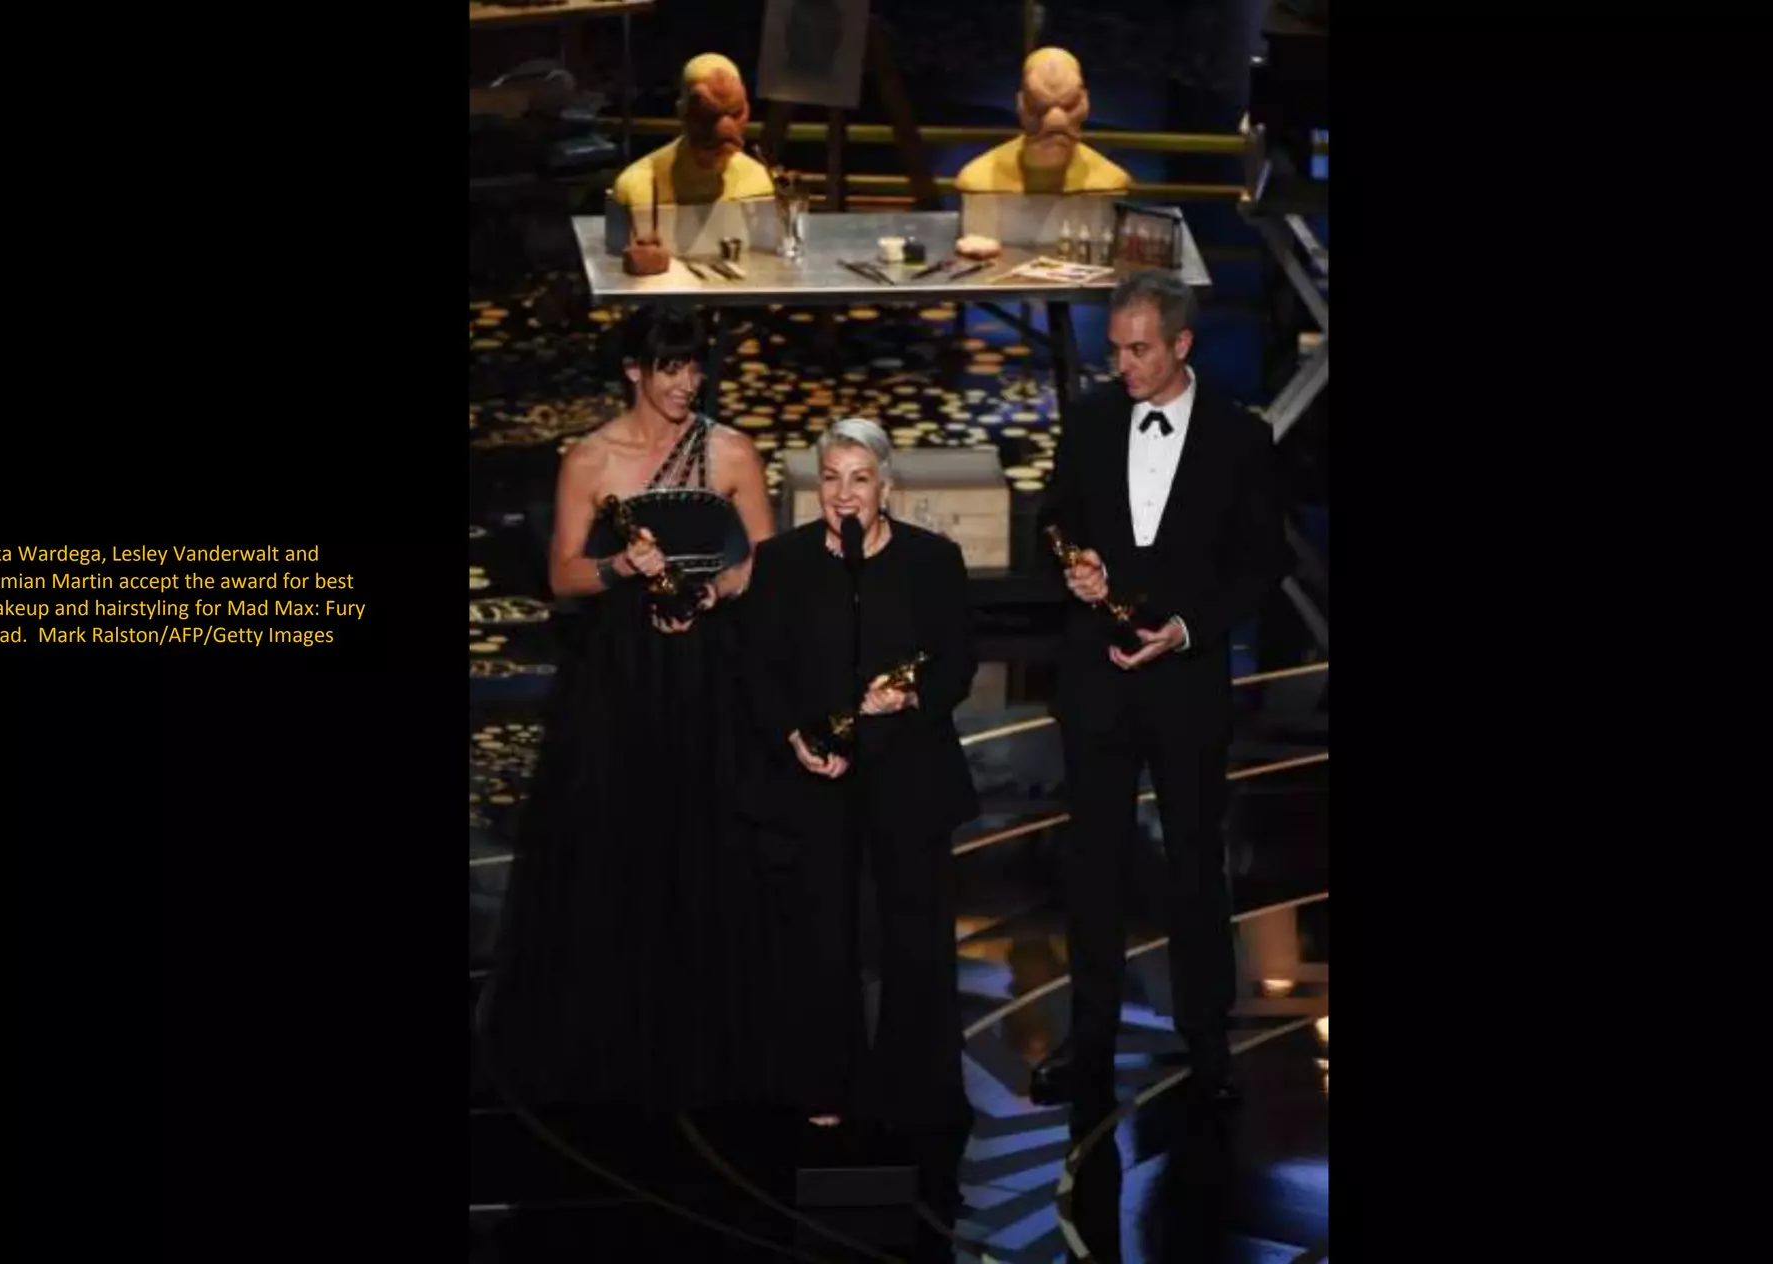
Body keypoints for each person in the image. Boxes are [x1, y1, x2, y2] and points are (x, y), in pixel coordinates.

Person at [476, 305, 776, 1116]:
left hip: (707, 671)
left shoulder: (731, 453)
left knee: (705, 842)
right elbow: (564, 575)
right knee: (617, 841)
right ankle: (608, 1036)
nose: (687, 383)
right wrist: (620, 569)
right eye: (670, 368)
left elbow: (765, 563)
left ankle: (707, 1037)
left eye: (695, 368)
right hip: (619, 676)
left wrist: (714, 586)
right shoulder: (590, 459)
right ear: (634, 371)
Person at [1030, 271, 1291, 1107]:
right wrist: (1071, 559)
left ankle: (1206, 1044)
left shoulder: (1241, 438)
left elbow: (1262, 564)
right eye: (1115, 349)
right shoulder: (1094, 419)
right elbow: (1053, 517)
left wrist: (1185, 630)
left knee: (1192, 870)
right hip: (1098, 683)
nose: (1125, 365)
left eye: (1140, 349)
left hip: (1185, 687)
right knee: (1094, 868)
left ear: (1182, 345)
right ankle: (1091, 1041)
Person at [737, 418, 979, 1135]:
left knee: (915, 934)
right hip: (816, 774)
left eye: (860, 479)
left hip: (909, 770)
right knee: (820, 936)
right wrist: (792, 736)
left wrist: (912, 698)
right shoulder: (781, 563)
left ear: (886, 487)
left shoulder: (933, 561)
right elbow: (757, 668)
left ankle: (918, 1083)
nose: (845, 495)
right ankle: (821, 1080)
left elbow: (958, 662)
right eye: (832, 480)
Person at [953, 47, 1131, 195]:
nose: (1055, 122)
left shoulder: (1110, 181)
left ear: (1085, 102)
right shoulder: (976, 179)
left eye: (1068, 106)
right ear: (1021, 104)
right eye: (1040, 107)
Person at [611, 54, 774, 210]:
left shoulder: (758, 182)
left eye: (736, 113)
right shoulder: (638, 186)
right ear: (682, 112)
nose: (725, 129)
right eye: (707, 115)